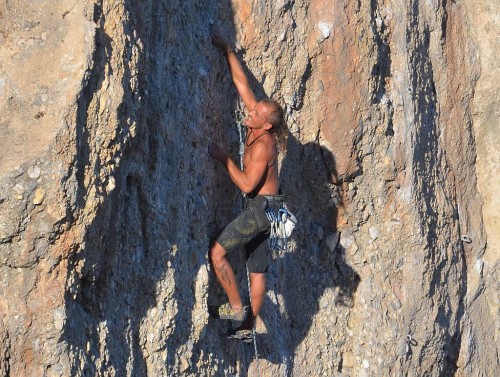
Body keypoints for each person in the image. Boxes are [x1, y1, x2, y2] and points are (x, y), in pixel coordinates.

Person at [208, 32, 285, 337]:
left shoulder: (264, 145)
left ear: (266, 125)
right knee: (257, 269)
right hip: (275, 208)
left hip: (263, 210)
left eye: (256, 113)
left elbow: (246, 184)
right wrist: (228, 51)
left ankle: (236, 307)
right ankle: (249, 325)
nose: (250, 111)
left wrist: (224, 159)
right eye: (253, 109)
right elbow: (243, 85)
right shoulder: (258, 120)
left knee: (217, 253)